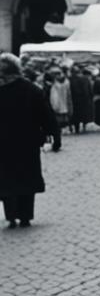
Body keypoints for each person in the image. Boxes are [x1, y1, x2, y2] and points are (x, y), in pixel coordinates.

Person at [0, 54, 58, 227]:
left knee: (7, 181)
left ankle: (11, 215)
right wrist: (54, 135)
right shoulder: (32, 90)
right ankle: (25, 215)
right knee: (27, 179)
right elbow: (47, 115)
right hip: (28, 143)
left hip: (4, 145)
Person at [46, 69, 71, 152]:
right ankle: (57, 141)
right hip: (59, 104)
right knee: (58, 124)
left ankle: (55, 142)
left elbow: (53, 98)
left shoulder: (54, 85)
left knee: (55, 124)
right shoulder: (65, 83)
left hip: (54, 106)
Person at [69, 65, 93, 134]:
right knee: (84, 114)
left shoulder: (70, 79)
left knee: (75, 115)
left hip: (74, 99)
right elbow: (89, 89)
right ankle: (84, 126)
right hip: (84, 99)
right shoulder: (85, 79)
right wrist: (89, 98)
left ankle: (77, 128)